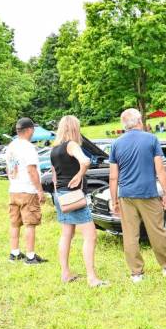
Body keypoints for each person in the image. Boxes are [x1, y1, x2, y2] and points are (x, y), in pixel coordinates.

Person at [109, 108, 166, 282]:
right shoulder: (151, 139)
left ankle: (136, 273)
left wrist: (114, 200)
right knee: (156, 230)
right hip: (148, 193)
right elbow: (160, 169)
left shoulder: (116, 144)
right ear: (139, 121)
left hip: (126, 195)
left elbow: (113, 176)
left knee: (130, 234)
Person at [51, 115, 107, 287]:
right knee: (90, 235)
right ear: (75, 128)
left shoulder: (54, 149)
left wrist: (58, 193)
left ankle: (65, 273)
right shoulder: (71, 145)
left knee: (66, 233)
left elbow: (54, 175)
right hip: (74, 196)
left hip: (60, 195)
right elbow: (85, 161)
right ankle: (92, 278)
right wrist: (79, 175)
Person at [5, 118, 47, 264]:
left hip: (13, 189)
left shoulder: (11, 146)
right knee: (30, 223)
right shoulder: (28, 147)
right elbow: (32, 170)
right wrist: (40, 190)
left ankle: (14, 253)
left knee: (14, 223)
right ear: (29, 130)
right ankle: (30, 256)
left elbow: (8, 168)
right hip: (27, 190)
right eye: (33, 129)